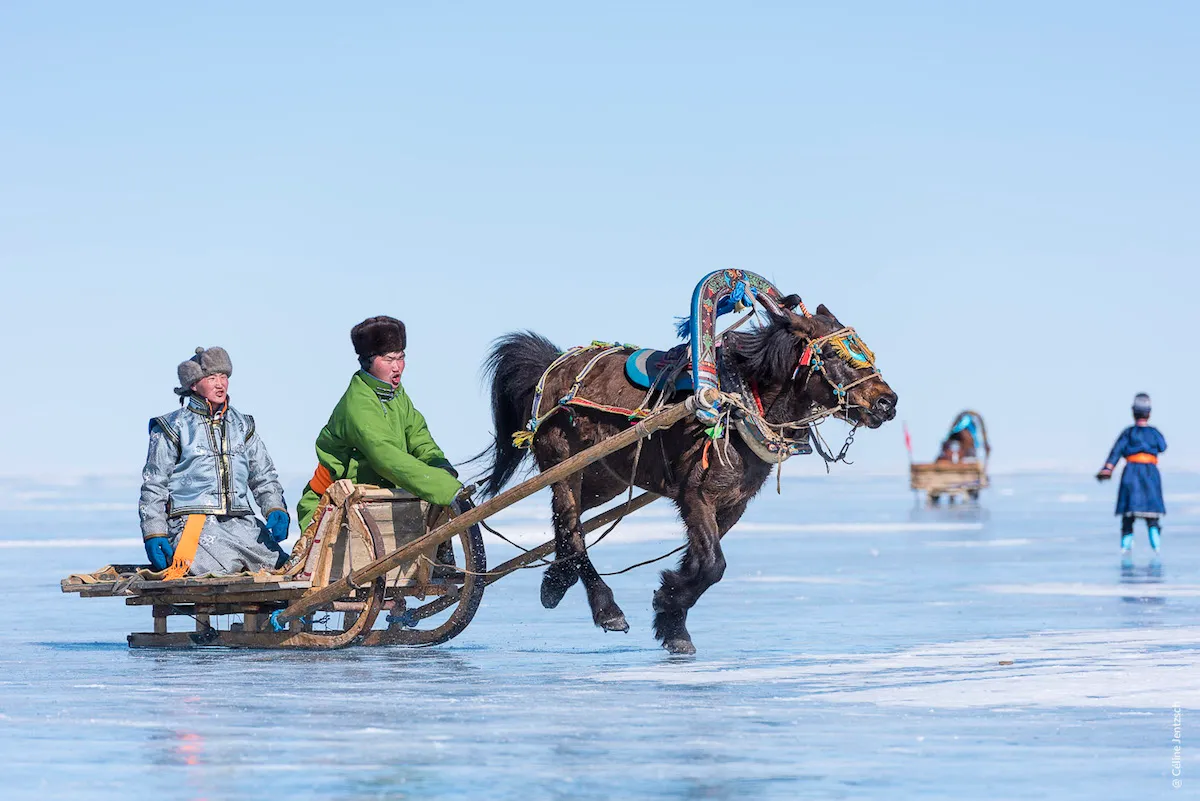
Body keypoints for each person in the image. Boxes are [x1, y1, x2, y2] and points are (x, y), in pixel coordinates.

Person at [296, 316, 462, 532]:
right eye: (388, 359)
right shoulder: (358, 405)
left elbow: (418, 436)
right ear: (368, 361)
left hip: (378, 503)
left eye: (401, 358)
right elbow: (386, 457)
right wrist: (446, 489)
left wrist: (439, 465)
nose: (397, 367)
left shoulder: (396, 396)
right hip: (331, 508)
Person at [139, 347, 290, 576]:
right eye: (211, 378)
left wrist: (275, 508)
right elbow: (154, 484)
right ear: (193, 385)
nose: (220, 384)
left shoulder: (243, 425)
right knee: (218, 569)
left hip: (241, 524)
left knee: (284, 569)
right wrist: (154, 531)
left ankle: (282, 613)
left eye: (224, 377)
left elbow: (263, 475)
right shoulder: (172, 427)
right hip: (193, 525)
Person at [1097, 393, 1167, 552]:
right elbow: (1163, 447)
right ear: (1149, 413)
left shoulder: (1128, 433)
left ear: (1133, 412)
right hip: (1150, 475)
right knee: (1152, 516)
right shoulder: (1154, 433)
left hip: (1132, 474)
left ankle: (1125, 548)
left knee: (1128, 517)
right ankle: (1156, 548)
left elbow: (1116, 451)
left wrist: (1108, 468)